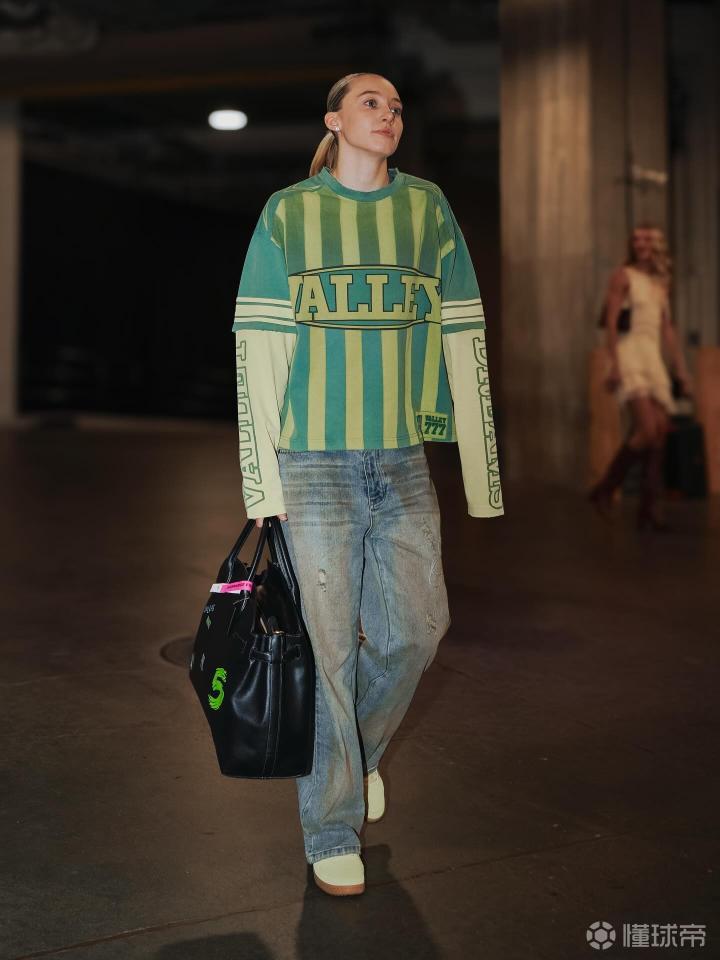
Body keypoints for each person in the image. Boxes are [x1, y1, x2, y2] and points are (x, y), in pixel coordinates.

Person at [232, 72, 503, 896]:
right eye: (370, 103)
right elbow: (258, 343)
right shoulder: (289, 212)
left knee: (417, 631)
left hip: (401, 459)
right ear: (334, 120)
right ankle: (330, 829)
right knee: (327, 653)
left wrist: (483, 472)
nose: (389, 114)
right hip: (313, 463)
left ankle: (359, 753)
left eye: (395, 106)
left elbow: (464, 331)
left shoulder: (427, 209)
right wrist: (260, 481)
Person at [589, 224, 692, 530]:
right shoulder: (623, 276)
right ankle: (605, 488)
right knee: (647, 429)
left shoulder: (660, 283)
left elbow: (667, 329)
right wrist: (614, 363)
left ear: (657, 243)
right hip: (629, 351)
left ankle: (648, 510)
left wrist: (681, 369)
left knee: (660, 432)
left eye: (647, 238)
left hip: (652, 356)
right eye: (636, 239)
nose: (640, 243)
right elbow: (610, 322)